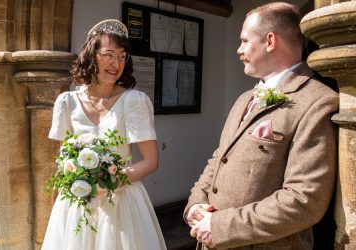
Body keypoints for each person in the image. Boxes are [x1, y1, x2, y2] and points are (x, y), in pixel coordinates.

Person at [184, 2, 338, 250]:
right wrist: (196, 202)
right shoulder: (243, 99)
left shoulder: (318, 102)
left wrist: (221, 226)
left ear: (269, 41)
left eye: (244, 41)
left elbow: (304, 201)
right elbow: (219, 159)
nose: (238, 50)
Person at [42, 19, 167, 250]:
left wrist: (109, 183)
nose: (116, 63)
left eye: (122, 56)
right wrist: (77, 178)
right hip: (79, 202)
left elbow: (150, 161)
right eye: (109, 54)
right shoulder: (67, 102)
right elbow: (63, 160)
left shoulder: (134, 101)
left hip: (123, 203)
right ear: (91, 55)